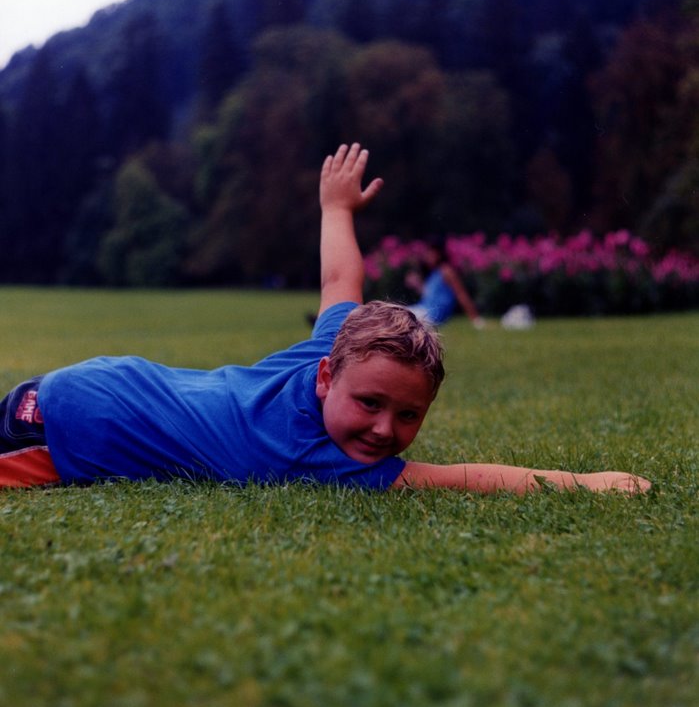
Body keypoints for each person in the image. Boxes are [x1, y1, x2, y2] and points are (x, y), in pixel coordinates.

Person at [0, 143, 650, 495]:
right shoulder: (318, 456)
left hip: (102, 385)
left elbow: (341, 281)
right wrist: (583, 483)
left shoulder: (329, 363)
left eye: (407, 416)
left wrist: (335, 209)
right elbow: (466, 480)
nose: (381, 429)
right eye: (370, 403)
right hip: (83, 426)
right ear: (324, 377)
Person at [406, 237, 484, 328]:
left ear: (439, 254)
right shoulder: (433, 273)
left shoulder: (446, 271)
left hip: (431, 315)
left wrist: (476, 319)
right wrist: (417, 285)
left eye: (430, 252)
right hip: (424, 311)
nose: (426, 256)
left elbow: (461, 295)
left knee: (396, 314)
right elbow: (430, 296)